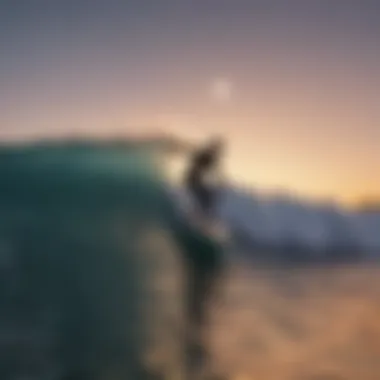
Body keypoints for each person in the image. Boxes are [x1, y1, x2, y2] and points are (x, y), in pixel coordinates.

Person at [184, 137, 224, 224]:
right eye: (217, 148)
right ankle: (195, 216)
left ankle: (202, 217)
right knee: (203, 197)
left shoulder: (212, 157)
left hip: (197, 180)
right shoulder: (205, 154)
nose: (217, 151)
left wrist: (220, 182)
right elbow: (195, 160)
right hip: (192, 179)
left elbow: (215, 171)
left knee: (209, 197)